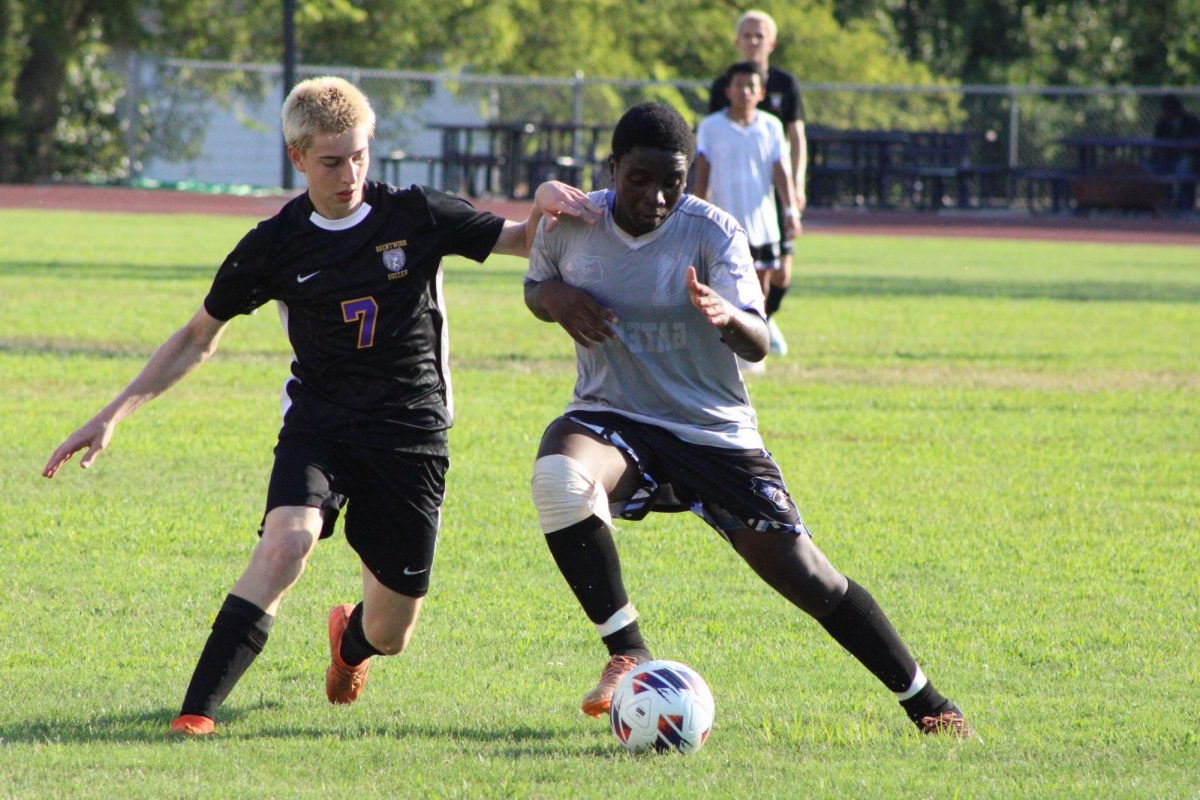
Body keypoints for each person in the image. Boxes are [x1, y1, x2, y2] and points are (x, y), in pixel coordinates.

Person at [42, 76, 600, 737]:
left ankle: (350, 643)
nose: (350, 174)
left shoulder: (414, 215)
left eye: (359, 155)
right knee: (288, 541)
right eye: (332, 161)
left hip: (411, 432)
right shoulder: (274, 245)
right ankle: (195, 713)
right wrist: (113, 414)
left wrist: (541, 203)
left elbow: (521, 239)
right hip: (321, 426)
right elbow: (198, 337)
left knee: (391, 632)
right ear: (298, 158)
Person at [522, 101, 972, 738]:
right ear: (614, 167)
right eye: (639, 179)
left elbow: (758, 340)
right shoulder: (571, 221)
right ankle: (629, 649)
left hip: (712, 432)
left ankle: (928, 703)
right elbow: (535, 287)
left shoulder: (712, 231)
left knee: (812, 579)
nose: (655, 196)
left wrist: (726, 316)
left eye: (671, 183)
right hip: (613, 415)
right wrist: (555, 297)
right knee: (561, 481)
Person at [708, 9, 807, 357]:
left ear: (771, 43)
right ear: (737, 41)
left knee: (780, 272)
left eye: (759, 35)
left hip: (771, 193)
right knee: (741, 264)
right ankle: (751, 324)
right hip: (737, 190)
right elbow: (713, 139)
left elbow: (796, 137)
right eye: (747, 35)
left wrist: (796, 186)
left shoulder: (785, 85)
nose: (753, 41)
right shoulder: (724, 86)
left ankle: (765, 318)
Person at [694, 60, 799, 373]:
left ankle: (753, 348)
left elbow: (781, 170)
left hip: (762, 221)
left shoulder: (771, 127)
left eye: (752, 86)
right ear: (728, 90)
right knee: (721, 283)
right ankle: (722, 348)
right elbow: (703, 171)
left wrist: (790, 210)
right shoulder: (711, 126)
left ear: (761, 92)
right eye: (739, 85)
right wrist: (697, 209)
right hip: (725, 222)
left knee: (760, 286)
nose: (745, 91)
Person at [1150, 94, 1200, 210]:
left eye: (1170, 108)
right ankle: (1164, 203)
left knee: (1184, 167)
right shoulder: (1162, 123)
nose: (1167, 111)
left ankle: (1185, 204)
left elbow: (1195, 144)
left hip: (1189, 158)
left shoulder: (1191, 121)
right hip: (1167, 158)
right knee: (1157, 168)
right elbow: (1156, 144)